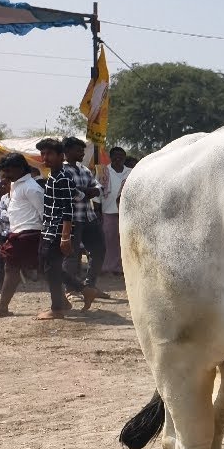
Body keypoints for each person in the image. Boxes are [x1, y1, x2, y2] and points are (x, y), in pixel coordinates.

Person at [36, 138, 95, 319]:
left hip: (58, 231)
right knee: (46, 267)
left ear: (61, 156)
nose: (45, 158)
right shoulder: (53, 177)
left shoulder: (62, 178)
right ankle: (83, 290)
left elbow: (67, 209)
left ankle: (57, 308)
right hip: (49, 229)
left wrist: (65, 236)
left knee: (50, 268)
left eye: (50, 154)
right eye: (43, 154)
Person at [0, 154, 46, 318]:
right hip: (18, 232)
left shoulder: (31, 188)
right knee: (47, 269)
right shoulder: (17, 186)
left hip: (29, 233)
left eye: (9, 171)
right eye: (4, 171)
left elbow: (44, 214)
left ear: (20, 168)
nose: (6, 175)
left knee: (11, 267)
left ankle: (2, 307)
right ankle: (79, 291)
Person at [60, 136, 106, 296]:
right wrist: (87, 191)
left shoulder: (84, 169)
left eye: (82, 150)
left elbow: (98, 187)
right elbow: (70, 192)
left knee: (99, 251)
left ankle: (90, 285)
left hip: (89, 216)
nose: (82, 153)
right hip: (71, 219)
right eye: (78, 150)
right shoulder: (61, 171)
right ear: (67, 151)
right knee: (71, 255)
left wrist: (87, 191)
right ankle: (71, 289)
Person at [101, 145, 129, 275]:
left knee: (124, 241)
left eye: (121, 156)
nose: (118, 158)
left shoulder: (130, 171)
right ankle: (108, 267)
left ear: (124, 158)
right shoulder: (103, 171)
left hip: (126, 213)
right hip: (108, 210)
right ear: (110, 157)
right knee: (109, 241)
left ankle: (122, 268)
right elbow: (98, 193)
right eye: (115, 156)